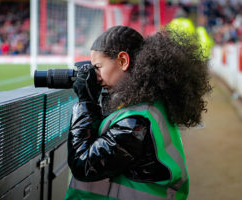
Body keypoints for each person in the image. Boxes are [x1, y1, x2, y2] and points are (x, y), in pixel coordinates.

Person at [65, 25, 212, 200]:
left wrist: (85, 102)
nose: (95, 77)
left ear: (123, 61)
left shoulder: (136, 122)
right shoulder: (148, 104)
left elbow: (84, 164)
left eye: (97, 67)